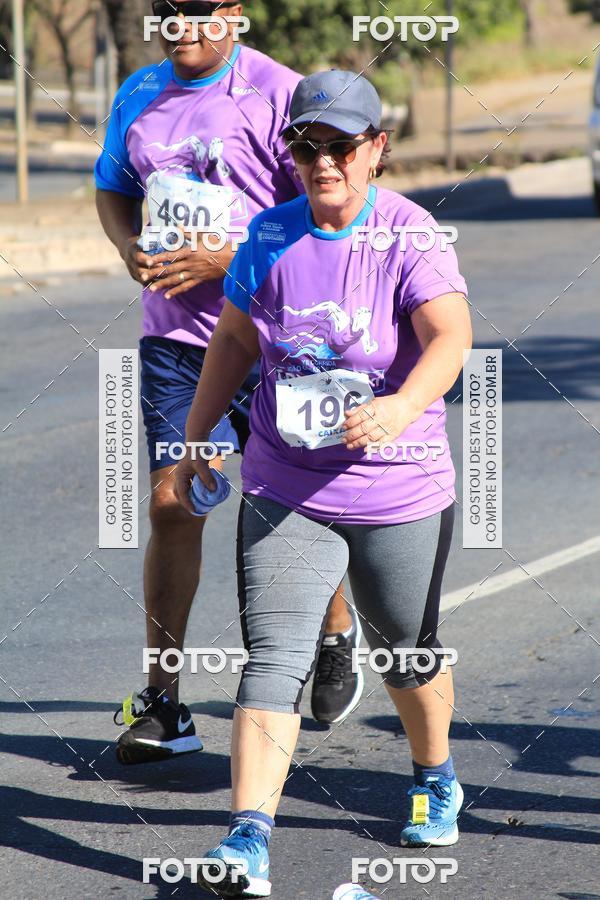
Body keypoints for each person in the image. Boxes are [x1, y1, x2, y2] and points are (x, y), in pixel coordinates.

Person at [174, 68, 472, 897]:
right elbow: (233, 342)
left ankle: (435, 774)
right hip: (285, 484)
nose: (323, 162)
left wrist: (402, 406)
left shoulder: (412, 237)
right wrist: (198, 438)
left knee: (407, 653)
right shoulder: (268, 237)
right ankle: (247, 840)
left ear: (377, 149)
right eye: (306, 147)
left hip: (397, 489)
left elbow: (450, 337)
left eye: (341, 146)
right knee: (273, 657)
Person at [94, 0, 361, 766]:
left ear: (234, 15)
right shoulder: (138, 94)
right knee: (174, 503)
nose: (183, 25)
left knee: (299, 505)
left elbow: (328, 203)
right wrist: (126, 246)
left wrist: (230, 261)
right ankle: (164, 702)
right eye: (167, 11)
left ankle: (337, 629)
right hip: (177, 344)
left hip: (280, 336)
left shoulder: (282, 92)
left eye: (200, 11)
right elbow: (112, 183)